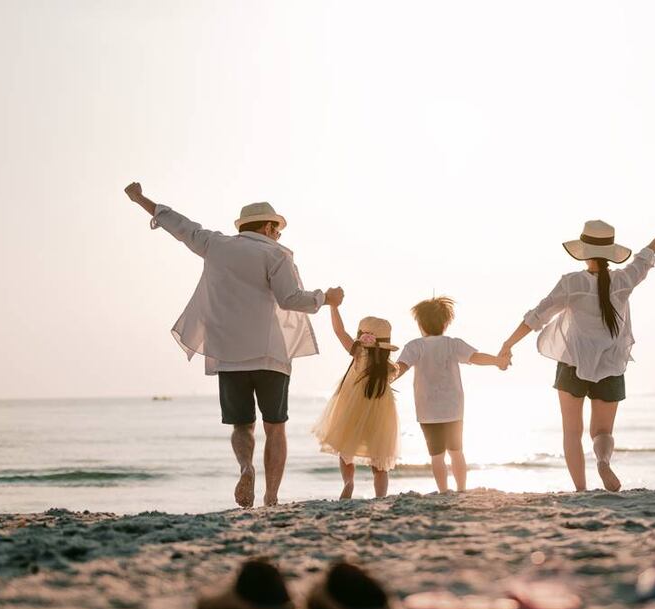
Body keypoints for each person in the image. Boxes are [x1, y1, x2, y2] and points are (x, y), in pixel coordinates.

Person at [124, 182, 343, 508]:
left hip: (228, 354)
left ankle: (245, 467)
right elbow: (289, 299)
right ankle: (271, 497)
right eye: (277, 231)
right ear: (269, 227)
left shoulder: (215, 244)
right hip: (270, 354)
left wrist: (141, 199)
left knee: (242, 425)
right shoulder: (275, 254)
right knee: (275, 427)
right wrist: (325, 298)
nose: (278, 237)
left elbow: (179, 225)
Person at [499, 209, 655, 491]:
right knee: (602, 432)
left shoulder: (572, 283)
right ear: (610, 253)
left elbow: (537, 317)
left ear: (584, 252)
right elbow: (647, 253)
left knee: (572, 433)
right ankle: (602, 461)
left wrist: (508, 345)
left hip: (573, 362)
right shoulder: (624, 280)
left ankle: (581, 490)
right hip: (611, 364)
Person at [395, 297, 508, 493]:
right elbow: (477, 357)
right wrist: (498, 361)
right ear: (446, 323)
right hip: (453, 408)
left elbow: (400, 368)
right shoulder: (453, 344)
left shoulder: (414, 346)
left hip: (427, 410)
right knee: (457, 452)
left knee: (436, 455)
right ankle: (461, 489)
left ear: (420, 324)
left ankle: (443, 491)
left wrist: (382, 380)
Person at [313, 311, 400, 498]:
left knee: (346, 448)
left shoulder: (358, 353)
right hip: (381, 411)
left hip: (353, 406)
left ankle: (349, 482)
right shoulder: (390, 367)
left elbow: (339, 331)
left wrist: (334, 307)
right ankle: (380, 496)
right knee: (380, 458)